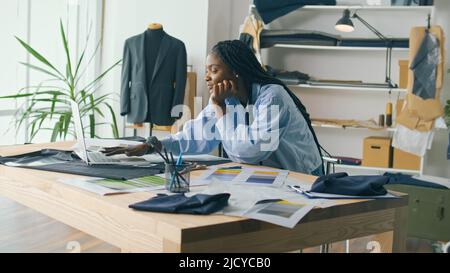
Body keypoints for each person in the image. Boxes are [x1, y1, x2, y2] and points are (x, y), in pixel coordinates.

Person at [104, 40, 324, 175]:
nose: (207, 77)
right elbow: (196, 137)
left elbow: (250, 151)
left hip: (301, 177)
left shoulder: (272, 97)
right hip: (266, 174)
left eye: (214, 69)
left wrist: (219, 110)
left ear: (235, 71)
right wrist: (153, 146)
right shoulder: (227, 98)